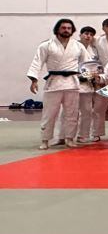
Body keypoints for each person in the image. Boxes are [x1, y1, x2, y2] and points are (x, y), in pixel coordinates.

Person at [27, 18, 91, 150]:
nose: (66, 30)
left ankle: (69, 138)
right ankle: (45, 139)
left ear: (72, 30)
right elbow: (37, 62)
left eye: (69, 28)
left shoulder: (78, 46)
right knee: (49, 113)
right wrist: (34, 80)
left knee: (72, 113)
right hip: (54, 83)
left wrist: (91, 76)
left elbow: (87, 64)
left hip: (72, 83)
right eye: (63, 28)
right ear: (57, 29)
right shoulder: (46, 45)